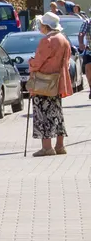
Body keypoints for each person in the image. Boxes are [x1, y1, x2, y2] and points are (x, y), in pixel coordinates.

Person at [29, 13, 73, 157]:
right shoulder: (64, 40)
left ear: (45, 26)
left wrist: (31, 63)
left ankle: (47, 147)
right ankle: (60, 146)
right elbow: (66, 62)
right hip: (58, 81)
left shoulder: (47, 40)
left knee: (42, 113)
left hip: (44, 82)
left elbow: (38, 62)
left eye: (41, 24)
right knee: (57, 113)